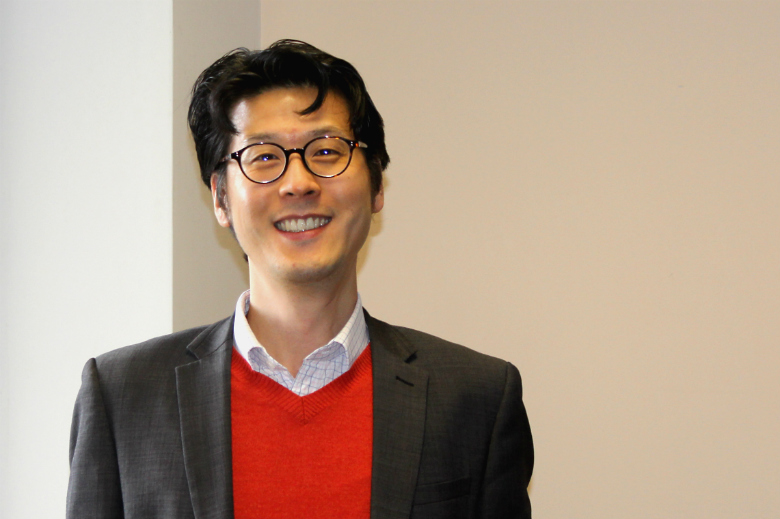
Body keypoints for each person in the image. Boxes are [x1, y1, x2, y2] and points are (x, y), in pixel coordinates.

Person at [67, 39, 533, 519]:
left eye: (327, 150)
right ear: (220, 199)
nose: (298, 183)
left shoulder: (477, 399)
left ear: (376, 184)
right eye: (264, 157)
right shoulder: (123, 397)